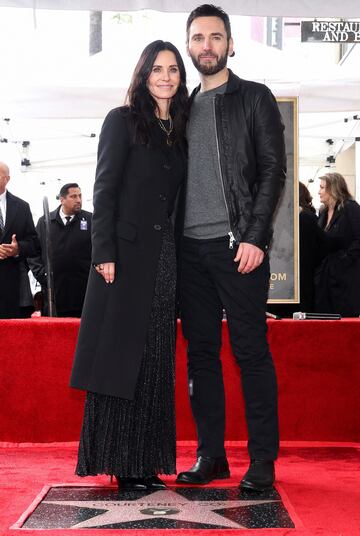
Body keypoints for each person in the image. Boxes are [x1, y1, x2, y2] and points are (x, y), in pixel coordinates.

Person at [176, 5, 286, 492]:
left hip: (237, 246)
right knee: (201, 355)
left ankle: (262, 460)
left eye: (215, 37)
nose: (207, 45)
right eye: (198, 37)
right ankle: (211, 455)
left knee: (250, 352)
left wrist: (256, 237)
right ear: (189, 46)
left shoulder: (255, 98)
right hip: (188, 252)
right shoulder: (178, 108)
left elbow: (272, 172)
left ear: (230, 44)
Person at [70, 41, 187, 491]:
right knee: (122, 362)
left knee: (156, 360)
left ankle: (148, 460)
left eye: (173, 69)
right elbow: (105, 187)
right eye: (157, 69)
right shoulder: (121, 121)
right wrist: (104, 253)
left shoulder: (179, 127)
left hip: (165, 260)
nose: (166, 76)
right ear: (143, 74)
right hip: (122, 259)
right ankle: (122, 463)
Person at [28, 183, 92, 317]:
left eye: (80, 196)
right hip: (54, 293)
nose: (79, 200)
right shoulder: (45, 222)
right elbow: (33, 252)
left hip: (83, 292)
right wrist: (42, 275)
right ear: (62, 200)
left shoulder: (90, 220)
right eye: (73, 196)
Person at [269, 182, 325, 317]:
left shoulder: (280, 218)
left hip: (281, 282)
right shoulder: (310, 218)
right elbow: (319, 252)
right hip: (303, 282)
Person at [315, 172, 360, 316]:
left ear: (333, 189)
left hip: (347, 277)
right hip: (326, 277)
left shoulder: (351, 208)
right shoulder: (322, 212)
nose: (319, 192)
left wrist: (345, 259)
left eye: (322, 188)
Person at [0, 161, 39, 319]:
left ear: (6, 179)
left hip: (13, 289)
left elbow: (34, 244)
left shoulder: (22, 207)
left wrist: (18, 249)